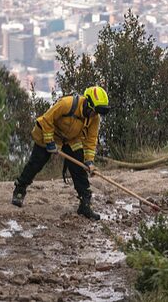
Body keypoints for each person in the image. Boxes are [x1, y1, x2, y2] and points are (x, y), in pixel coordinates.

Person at [11, 86, 110, 221]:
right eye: (94, 111)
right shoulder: (66, 104)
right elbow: (46, 120)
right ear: (88, 104)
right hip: (50, 133)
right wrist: (49, 141)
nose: (95, 115)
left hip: (71, 139)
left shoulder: (94, 118)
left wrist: (89, 161)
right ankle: (20, 189)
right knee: (36, 163)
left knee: (79, 168)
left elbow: (91, 140)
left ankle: (85, 204)